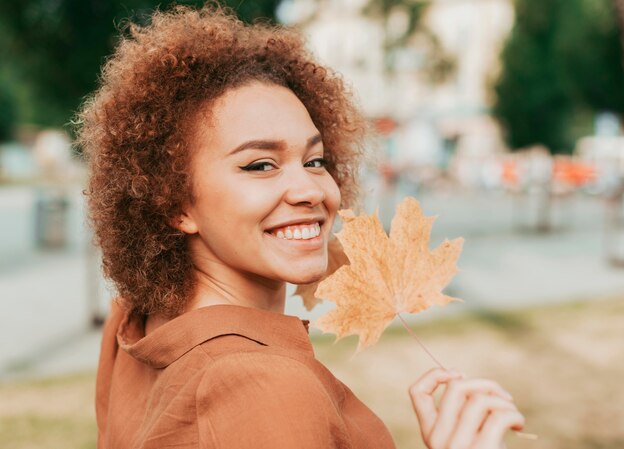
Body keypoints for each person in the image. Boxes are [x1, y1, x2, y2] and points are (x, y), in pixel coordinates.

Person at [77, 5, 525, 449]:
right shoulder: (264, 385)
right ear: (175, 202)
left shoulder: (133, 321)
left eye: (315, 160)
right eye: (260, 165)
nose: (310, 189)